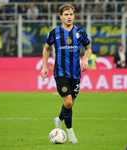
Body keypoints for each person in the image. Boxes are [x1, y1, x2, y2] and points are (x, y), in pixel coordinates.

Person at [41, 4, 92, 144]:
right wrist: (44, 66)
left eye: (71, 14)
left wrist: (85, 60)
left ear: (74, 16)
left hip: (75, 73)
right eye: (66, 14)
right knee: (68, 102)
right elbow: (46, 49)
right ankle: (70, 132)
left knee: (70, 104)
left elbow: (88, 49)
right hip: (60, 72)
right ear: (61, 17)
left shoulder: (80, 31)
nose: (69, 17)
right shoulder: (54, 32)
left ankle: (59, 120)